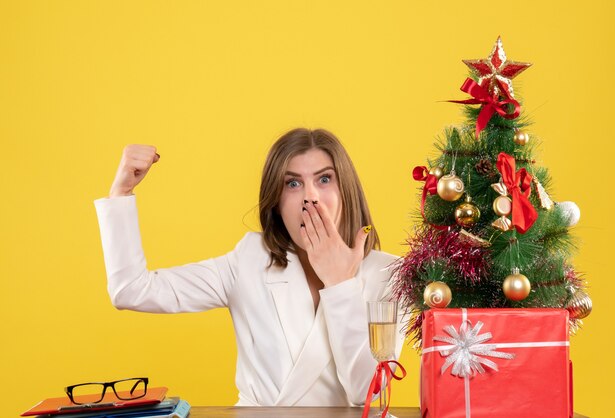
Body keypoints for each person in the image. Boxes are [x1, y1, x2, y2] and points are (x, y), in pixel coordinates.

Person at [94, 128, 405, 407]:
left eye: (324, 179)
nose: (310, 197)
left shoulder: (391, 276)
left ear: (345, 192)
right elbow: (130, 290)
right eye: (293, 183)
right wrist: (121, 193)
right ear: (276, 203)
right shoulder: (249, 260)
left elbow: (367, 393)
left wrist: (339, 284)